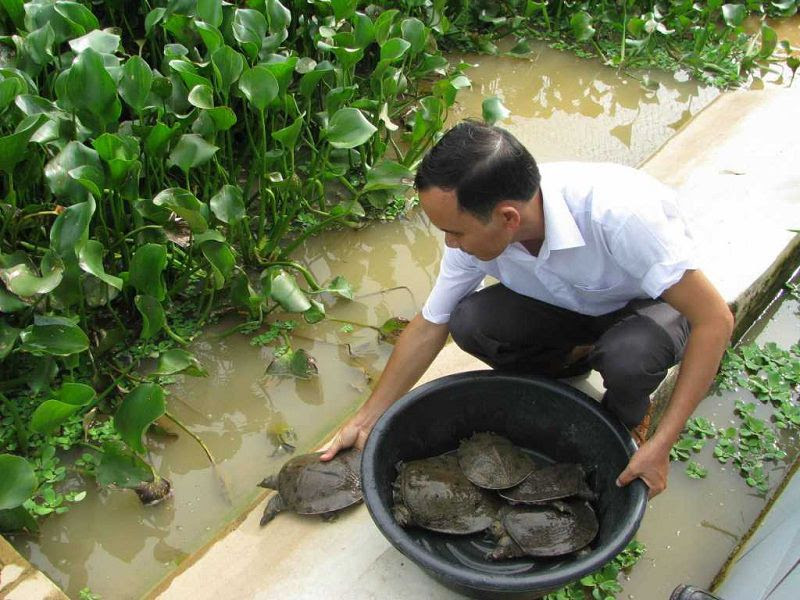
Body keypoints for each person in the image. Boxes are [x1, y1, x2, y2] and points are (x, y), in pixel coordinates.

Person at [321, 120, 733, 497]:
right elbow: (432, 324)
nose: (449, 243)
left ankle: (629, 421)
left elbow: (713, 320)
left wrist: (664, 444)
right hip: (568, 305)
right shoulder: (479, 232)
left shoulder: (619, 215)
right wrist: (365, 419)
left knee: (628, 357)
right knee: (471, 322)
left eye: (455, 232)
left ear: (507, 217)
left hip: (649, 304)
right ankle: (573, 361)